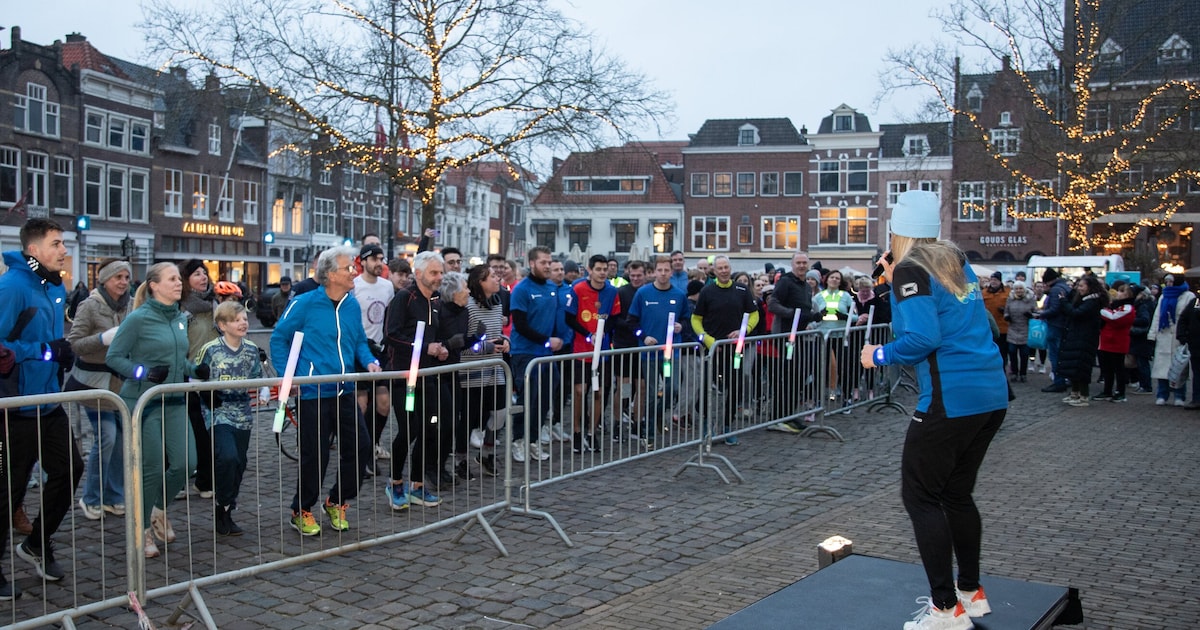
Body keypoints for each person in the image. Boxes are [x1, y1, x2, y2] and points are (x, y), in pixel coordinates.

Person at [858, 190, 1005, 630]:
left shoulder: (911, 270)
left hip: (950, 398)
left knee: (920, 496)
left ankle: (945, 610)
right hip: (989, 394)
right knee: (956, 493)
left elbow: (922, 338)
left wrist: (877, 355)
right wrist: (893, 284)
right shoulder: (953, 262)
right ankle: (970, 592)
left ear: (897, 232)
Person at [270, 246, 380, 535]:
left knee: (361, 448)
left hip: (345, 390)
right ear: (330, 274)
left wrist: (370, 362)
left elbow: (358, 342)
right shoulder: (304, 303)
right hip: (313, 393)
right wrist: (287, 376)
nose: (354, 271)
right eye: (348, 268)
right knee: (315, 456)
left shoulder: (351, 304)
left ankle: (337, 500)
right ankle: (301, 510)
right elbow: (279, 339)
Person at [0, 218, 83, 597]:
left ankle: (37, 541)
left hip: (49, 401)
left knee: (71, 469)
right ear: (33, 250)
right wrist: (47, 351)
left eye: (63, 242)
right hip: (16, 405)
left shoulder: (56, 287)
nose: (63, 249)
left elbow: (51, 338)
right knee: (9, 490)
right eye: (56, 243)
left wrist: (60, 352)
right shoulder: (12, 286)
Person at [107, 262, 211, 559]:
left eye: (179, 279)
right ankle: (141, 530)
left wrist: (195, 370)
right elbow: (115, 357)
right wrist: (143, 372)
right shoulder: (138, 319)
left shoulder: (179, 319)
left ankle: (158, 510)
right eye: (172, 279)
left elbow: (179, 359)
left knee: (186, 463)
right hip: (144, 403)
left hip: (175, 400)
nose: (179, 283)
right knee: (151, 468)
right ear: (154, 285)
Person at [66, 258, 132, 521]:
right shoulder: (90, 305)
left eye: (127, 277)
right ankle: (91, 496)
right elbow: (75, 343)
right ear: (105, 280)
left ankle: (114, 495)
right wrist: (103, 339)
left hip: (119, 385)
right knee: (106, 438)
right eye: (119, 277)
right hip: (94, 385)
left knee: (120, 440)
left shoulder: (127, 306)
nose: (124, 282)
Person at [381, 251, 447, 509]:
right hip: (404, 378)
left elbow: (434, 335)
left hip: (428, 377)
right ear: (418, 274)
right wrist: (422, 347)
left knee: (430, 426)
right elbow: (391, 335)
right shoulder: (403, 298)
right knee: (409, 429)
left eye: (440, 272)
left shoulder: (436, 301)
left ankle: (418, 485)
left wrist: (439, 348)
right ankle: (395, 482)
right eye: (434, 272)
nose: (439, 277)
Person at [195, 301, 263, 536]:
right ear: (222, 325)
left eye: (244, 318)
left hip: (243, 413)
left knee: (239, 463)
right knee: (228, 456)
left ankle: (226, 507)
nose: (243, 323)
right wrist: (207, 393)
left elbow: (259, 377)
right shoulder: (211, 350)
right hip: (218, 411)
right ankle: (221, 504)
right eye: (236, 320)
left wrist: (264, 393)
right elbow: (195, 377)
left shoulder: (252, 349)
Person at [691, 255, 758, 446]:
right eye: (719, 268)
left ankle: (728, 426)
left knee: (735, 387)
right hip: (711, 351)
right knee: (705, 389)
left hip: (734, 350)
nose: (723, 270)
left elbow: (754, 315)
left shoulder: (742, 289)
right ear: (714, 270)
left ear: (730, 268)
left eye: (726, 267)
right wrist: (710, 341)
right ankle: (706, 425)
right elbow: (696, 320)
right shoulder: (707, 291)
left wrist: (743, 331)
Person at [507, 246, 563, 463]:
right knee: (528, 398)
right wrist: (546, 340)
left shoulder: (551, 287)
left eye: (549, 262)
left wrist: (557, 340)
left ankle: (533, 438)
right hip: (525, 352)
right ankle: (518, 439)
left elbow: (555, 318)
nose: (547, 266)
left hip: (546, 353)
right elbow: (520, 325)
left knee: (546, 398)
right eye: (543, 263)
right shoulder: (522, 289)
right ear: (532, 264)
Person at [627, 256, 688, 447]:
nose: (663, 274)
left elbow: (687, 319)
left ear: (671, 272)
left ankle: (659, 415)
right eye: (659, 270)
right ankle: (650, 433)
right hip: (650, 354)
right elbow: (631, 321)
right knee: (652, 393)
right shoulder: (643, 293)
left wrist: (681, 326)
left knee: (673, 388)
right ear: (654, 272)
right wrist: (643, 336)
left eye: (666, 270)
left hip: (671, 353)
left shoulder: (679, 295)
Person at [563, 255, 619, 453]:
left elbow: (614, 317)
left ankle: (591, 432)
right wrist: (588, 334)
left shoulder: (612, 292)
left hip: (602, 352)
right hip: (581, 350)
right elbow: (569, 317)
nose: (602, 273)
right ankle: (577, 431)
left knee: (599, 392)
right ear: (590, 270)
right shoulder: (578, 289)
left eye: (605, 269)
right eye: (598, 269)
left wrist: (602, 333)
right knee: (579, 391)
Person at [459, 264, 510, 477]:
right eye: (492, 277)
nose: (497, 279)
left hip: (495, 368)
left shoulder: (497, 305)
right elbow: (464, 345)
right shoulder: (468, 306)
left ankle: (487, 454)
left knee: (500, 413)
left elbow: (497, 333)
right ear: (480, 282)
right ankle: (461, 460)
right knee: (469, 418)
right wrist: (484, 347)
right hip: (471, 371)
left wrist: (505, 341)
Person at [353, 243, 395, 469]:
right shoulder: (355, 286)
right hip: (359, 352)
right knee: (361, 404)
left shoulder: (387, 287)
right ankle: (363, 452)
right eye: (374, 259)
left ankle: (373, 443)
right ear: (363, 262)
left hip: (380, 352)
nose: (379, 263)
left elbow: (388, 317)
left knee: (383, 404)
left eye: (382, 259)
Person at [179, 259, 219, 500]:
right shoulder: (180, 306)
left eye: (204, 273)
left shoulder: (214, 303)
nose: (203, 277)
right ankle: (187, 478)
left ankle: (205, 478)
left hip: (212, 374)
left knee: (210, 429)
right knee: (194, 430)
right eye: (197, 273)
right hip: (189, 375)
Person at [766, 252, 817, 432]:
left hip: (800, 336)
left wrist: (808, 319)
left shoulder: (806, 286)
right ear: (793, 264)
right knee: (789, 377)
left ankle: (789, 414)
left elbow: (806, 310)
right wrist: (793, 314)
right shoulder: (786, 282)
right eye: (799, 263)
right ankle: (777, 417)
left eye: (804, 262)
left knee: (798, 377)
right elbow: (773, 304)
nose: (802, 266)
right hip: (785, 336)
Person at [1057, 276, 1109, 406]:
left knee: (1082, 366)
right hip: (1077, 336)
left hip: (1085, 337)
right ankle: (1075, 392)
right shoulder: (1083, 299)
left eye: (1082, 286)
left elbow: (1076, 313)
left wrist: (1063, 302)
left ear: (1089, 287)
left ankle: (1084, 395)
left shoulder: (1092, 302)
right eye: (1078, 286)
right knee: (1074, 365)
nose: (1079, 288)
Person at [1148, 275, 1194, 406]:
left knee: (1179, 367)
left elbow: (1189, 317)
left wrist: (1187, 334)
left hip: (1179, 337)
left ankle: (1179, 395)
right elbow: (1157, 316)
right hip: (1164, 335)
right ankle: (1162, 394)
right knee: (1162, 369)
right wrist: (1152, 335)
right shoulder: (1163, 296)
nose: (1168, 284)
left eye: (1171, 281)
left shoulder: (1189, 296)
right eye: (1166, 281)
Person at [1095, 282, 1135, 403]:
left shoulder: (1128, 308)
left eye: (1122, 291)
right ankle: (1107, 391)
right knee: (1107, 368)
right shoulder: (1115, 305)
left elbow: (1114, 318)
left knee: (1119, 368)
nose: (1119, 293)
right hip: (1106, 340)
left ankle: (1120, 392)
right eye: (1119, 291)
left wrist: (1101, 309)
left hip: (1118, 341)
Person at [1038, 268, 1073, 393]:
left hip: (1055, 325)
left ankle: (1058, 382)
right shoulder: (1064, 287)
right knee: (1061, 355)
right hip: (1064, 325)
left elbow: (1054, 309)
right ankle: (1065, 379)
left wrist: (1040, 314)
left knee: (1055, 355)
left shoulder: (1055, 290)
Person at [1003, 280, 1037, 382]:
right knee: (1012, 352)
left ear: (1024, 289)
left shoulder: (1030, 299)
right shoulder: (1010, 299)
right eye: (1017, 288)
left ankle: (1023, 373)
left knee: (1024, 354)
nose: (1019, 290)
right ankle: (1014, 372)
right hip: (1013, 328)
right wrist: (1007, 317)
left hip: (1025, 329)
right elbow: (1006, 311)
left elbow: (1035, 312)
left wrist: (1031, 316)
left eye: (1021, 288)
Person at [982, 272, 1011, 373]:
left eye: (995, 280)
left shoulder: (1007, 293)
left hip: (1003, 327)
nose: (993, 282)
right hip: (988, 327)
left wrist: (1006, 310)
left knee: (1003, 351)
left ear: (1000, 281)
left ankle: (1002, 368)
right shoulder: (984, 292)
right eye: (992, 280)